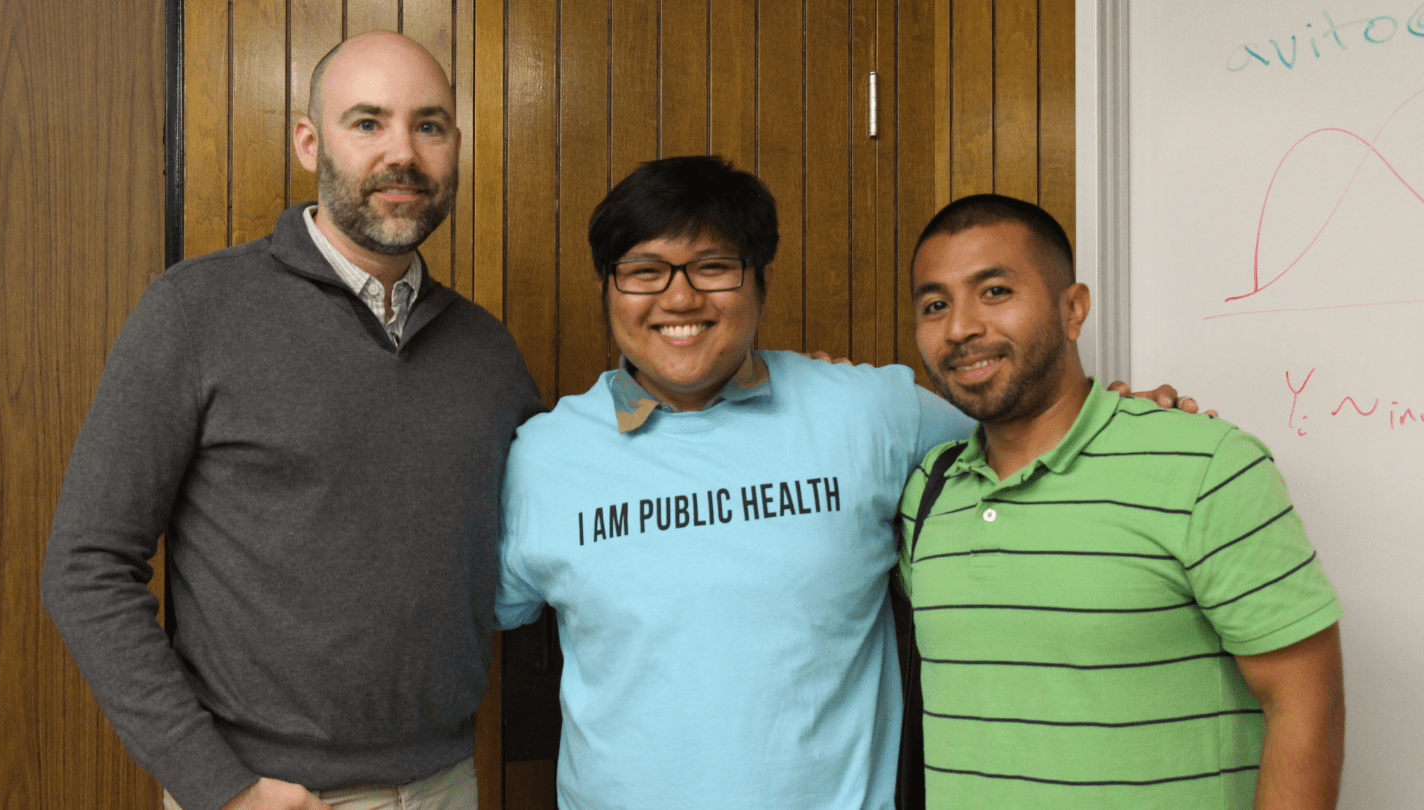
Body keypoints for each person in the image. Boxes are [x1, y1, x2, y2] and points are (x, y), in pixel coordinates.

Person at [492, 157, 1193, 810]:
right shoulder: (543, 457)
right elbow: (485, 620)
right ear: (607, 289)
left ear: (762, 281)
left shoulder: (872, 413)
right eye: (643, 270)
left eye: (713, 267)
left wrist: (1125, 428)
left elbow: (1023, 441)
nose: (680, 297)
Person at [41, 32, 539, 810]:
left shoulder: (489, 354)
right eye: (367, 123)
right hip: (264, 795)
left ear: (455, 147)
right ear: (310, 142)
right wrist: (221, 788)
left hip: (446, 786)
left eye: (429, 125)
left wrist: (790, 388)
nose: (401, 153)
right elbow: (86, 566)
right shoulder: (195, 312)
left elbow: (571, 520)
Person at [899, 194, 1345, 809]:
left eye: (995, 291)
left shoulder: (1206, 465)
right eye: (935, 304)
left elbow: (1306, 703)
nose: (960, 328)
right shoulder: (929, 491)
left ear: (1072, 308)